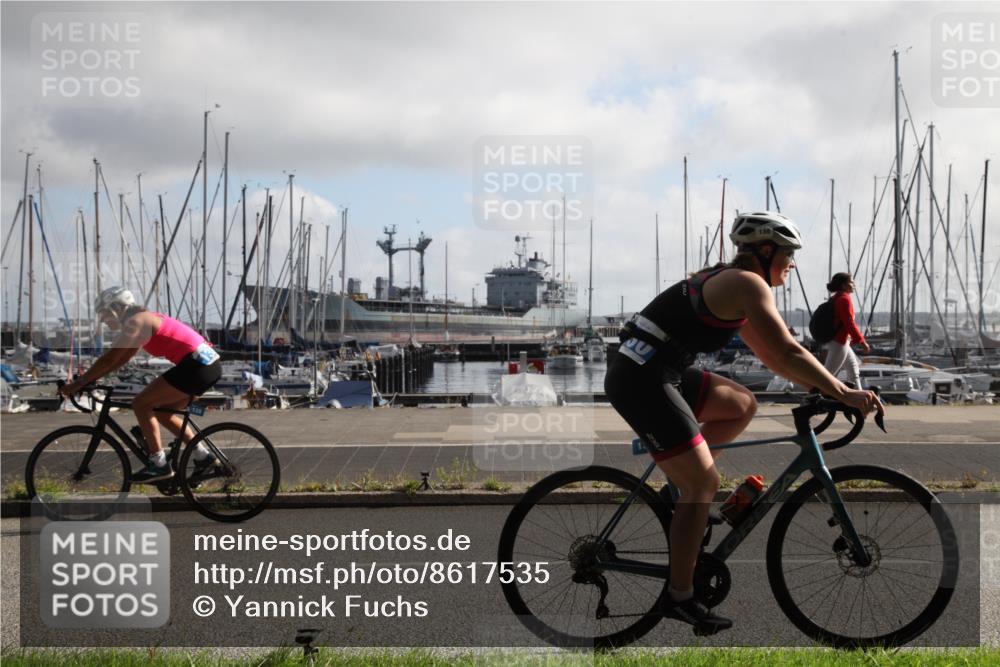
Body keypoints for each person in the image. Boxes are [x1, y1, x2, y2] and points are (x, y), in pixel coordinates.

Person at [605, 211, 883, 635]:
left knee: (740, 404)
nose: (792, 263)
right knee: (705, 484)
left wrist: (825, 387)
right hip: (641, 376)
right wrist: (842, 393)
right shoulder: (746, 284)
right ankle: (679, 597)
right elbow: (788, 353)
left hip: (661, 369)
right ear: (765, 251)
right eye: (788, 254)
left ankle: (680, 491)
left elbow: (774, 356)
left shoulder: (737, 284)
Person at [59, 287, 223, 483]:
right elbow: (120, 360)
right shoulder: (142, 320)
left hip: (197, 365)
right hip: (207, 365)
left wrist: (79, 383)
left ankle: (159, 465)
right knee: (162, 411)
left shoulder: (136, 321)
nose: (102, 319)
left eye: (103, 313)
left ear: (116, 308)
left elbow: (110, 358)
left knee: (141, 404)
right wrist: (91, 379)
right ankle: (203, 457)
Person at [823, 272, 870, 389]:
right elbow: (849, 323)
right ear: (844, 285)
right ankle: (812, 398)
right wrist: (862, 341)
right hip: (840, 342)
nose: (854, 285)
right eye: (851, 282)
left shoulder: (837, 298)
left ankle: (860, 402)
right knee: (826, 375)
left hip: (842, 342)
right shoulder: (844, 299)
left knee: (853, 371)